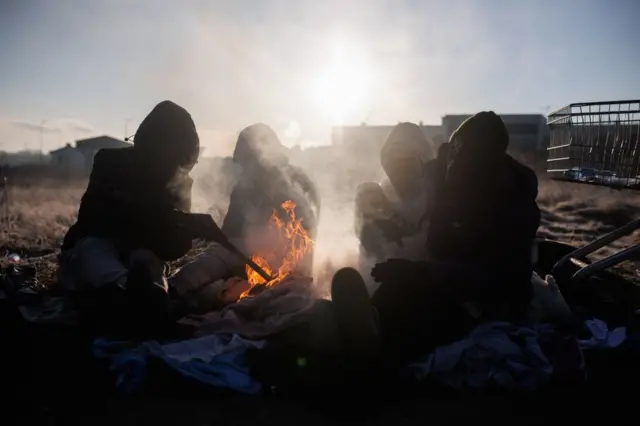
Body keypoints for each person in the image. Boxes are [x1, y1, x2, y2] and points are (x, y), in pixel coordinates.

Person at [337, 111, 541, 366]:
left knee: (416, 304)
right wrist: (378, 208)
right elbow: (412, 168)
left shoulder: (512, 209)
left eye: (461, 162)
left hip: (483, 304)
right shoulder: (453, 173)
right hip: (441, 278)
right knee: (397, 289)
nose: (452, 167)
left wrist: (421, 272)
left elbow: (494, 278)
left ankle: (376, 348)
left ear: (484, 166)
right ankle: (369, 324)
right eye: (451, 157)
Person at [58, 100, 228, 334]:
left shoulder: (181, 182)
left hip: (139, 256)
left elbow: (170, 250)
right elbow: (93, 221)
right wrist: (166, 219)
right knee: (94, 251)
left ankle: (152, 297)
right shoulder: (110, 162)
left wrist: (187, 230)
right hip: (94, 249)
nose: (183, 169)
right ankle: (130, 294)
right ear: (159, 151)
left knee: (147, 260)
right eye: (179, 160)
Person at [355, 122, 434, 291]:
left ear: (422, 161)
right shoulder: (377, 194)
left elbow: (429, 249)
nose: (400, 171)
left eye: (406, 163)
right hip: (379, 285)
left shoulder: (437, 194)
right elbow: (367, 253)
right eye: (395, 163)